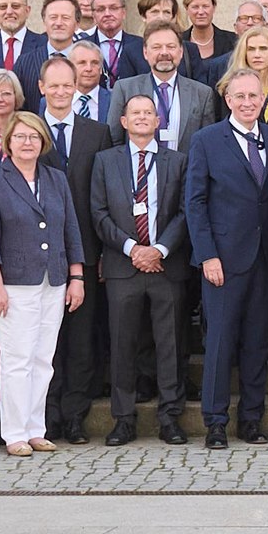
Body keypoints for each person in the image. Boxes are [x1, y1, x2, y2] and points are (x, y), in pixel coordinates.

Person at [183, 69, 268, 452]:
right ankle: (215, 421)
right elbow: (195, 202)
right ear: (228, 100)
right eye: (239, 96)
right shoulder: (207, 140)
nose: (247, 102)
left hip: (266, 257)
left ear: (263, 99)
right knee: (220, 342)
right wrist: (207, 254)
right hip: (223, 260)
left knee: (258, 341)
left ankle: (251, 418)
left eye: (253, 96)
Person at [0, 112, 82, 455]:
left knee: (43, 359)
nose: (27, 142)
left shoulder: (55, 179)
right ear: (9, 142)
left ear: (43, 141)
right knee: (17, 359)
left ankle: (36, 428)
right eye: (20, 136)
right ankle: (15, 433)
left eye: (33, 136)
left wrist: (76, 276)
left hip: (53, 280)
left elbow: (71, 229)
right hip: (12, 284)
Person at [88, 91, 190, 445]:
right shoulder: (105, 161)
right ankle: (123, 419)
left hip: (166, 265)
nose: (143, 117)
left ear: (158, 121)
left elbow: (185, 212)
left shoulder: (178, 161)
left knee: (170, 344)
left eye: (149, 112)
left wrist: (159, 250)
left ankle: (170, 418)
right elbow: (98, 212)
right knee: (122, 345)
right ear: (124, 121)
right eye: (136, 113)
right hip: (123, 265)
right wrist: (132, 249)